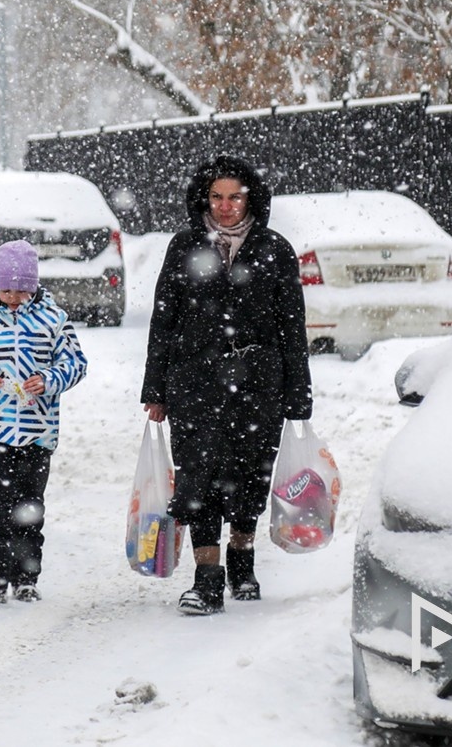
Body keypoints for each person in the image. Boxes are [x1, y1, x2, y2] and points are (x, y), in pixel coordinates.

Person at [141, 154, 313, 616]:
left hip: (258, 385)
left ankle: (242, 558)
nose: (225, 206)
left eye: (235, 197)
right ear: (204, 198)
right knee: (197, 478)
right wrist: (154, 389)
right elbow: (164, 319)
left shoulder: (275, 249)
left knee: (249, 476)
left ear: (251, 198)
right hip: (193, 382)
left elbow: (292, 326)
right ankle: (207, 578)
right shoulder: (184, 246)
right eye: (217, 196)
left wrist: (298, 393)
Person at [0, 239, 88, 605]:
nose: (13, 298)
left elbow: (75, 363)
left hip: (37, 433)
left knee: (28, 508)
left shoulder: (53, 321)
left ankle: (25, 577)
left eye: (21, 290)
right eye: (6, 290)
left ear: (33, 286)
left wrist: (49, 379)